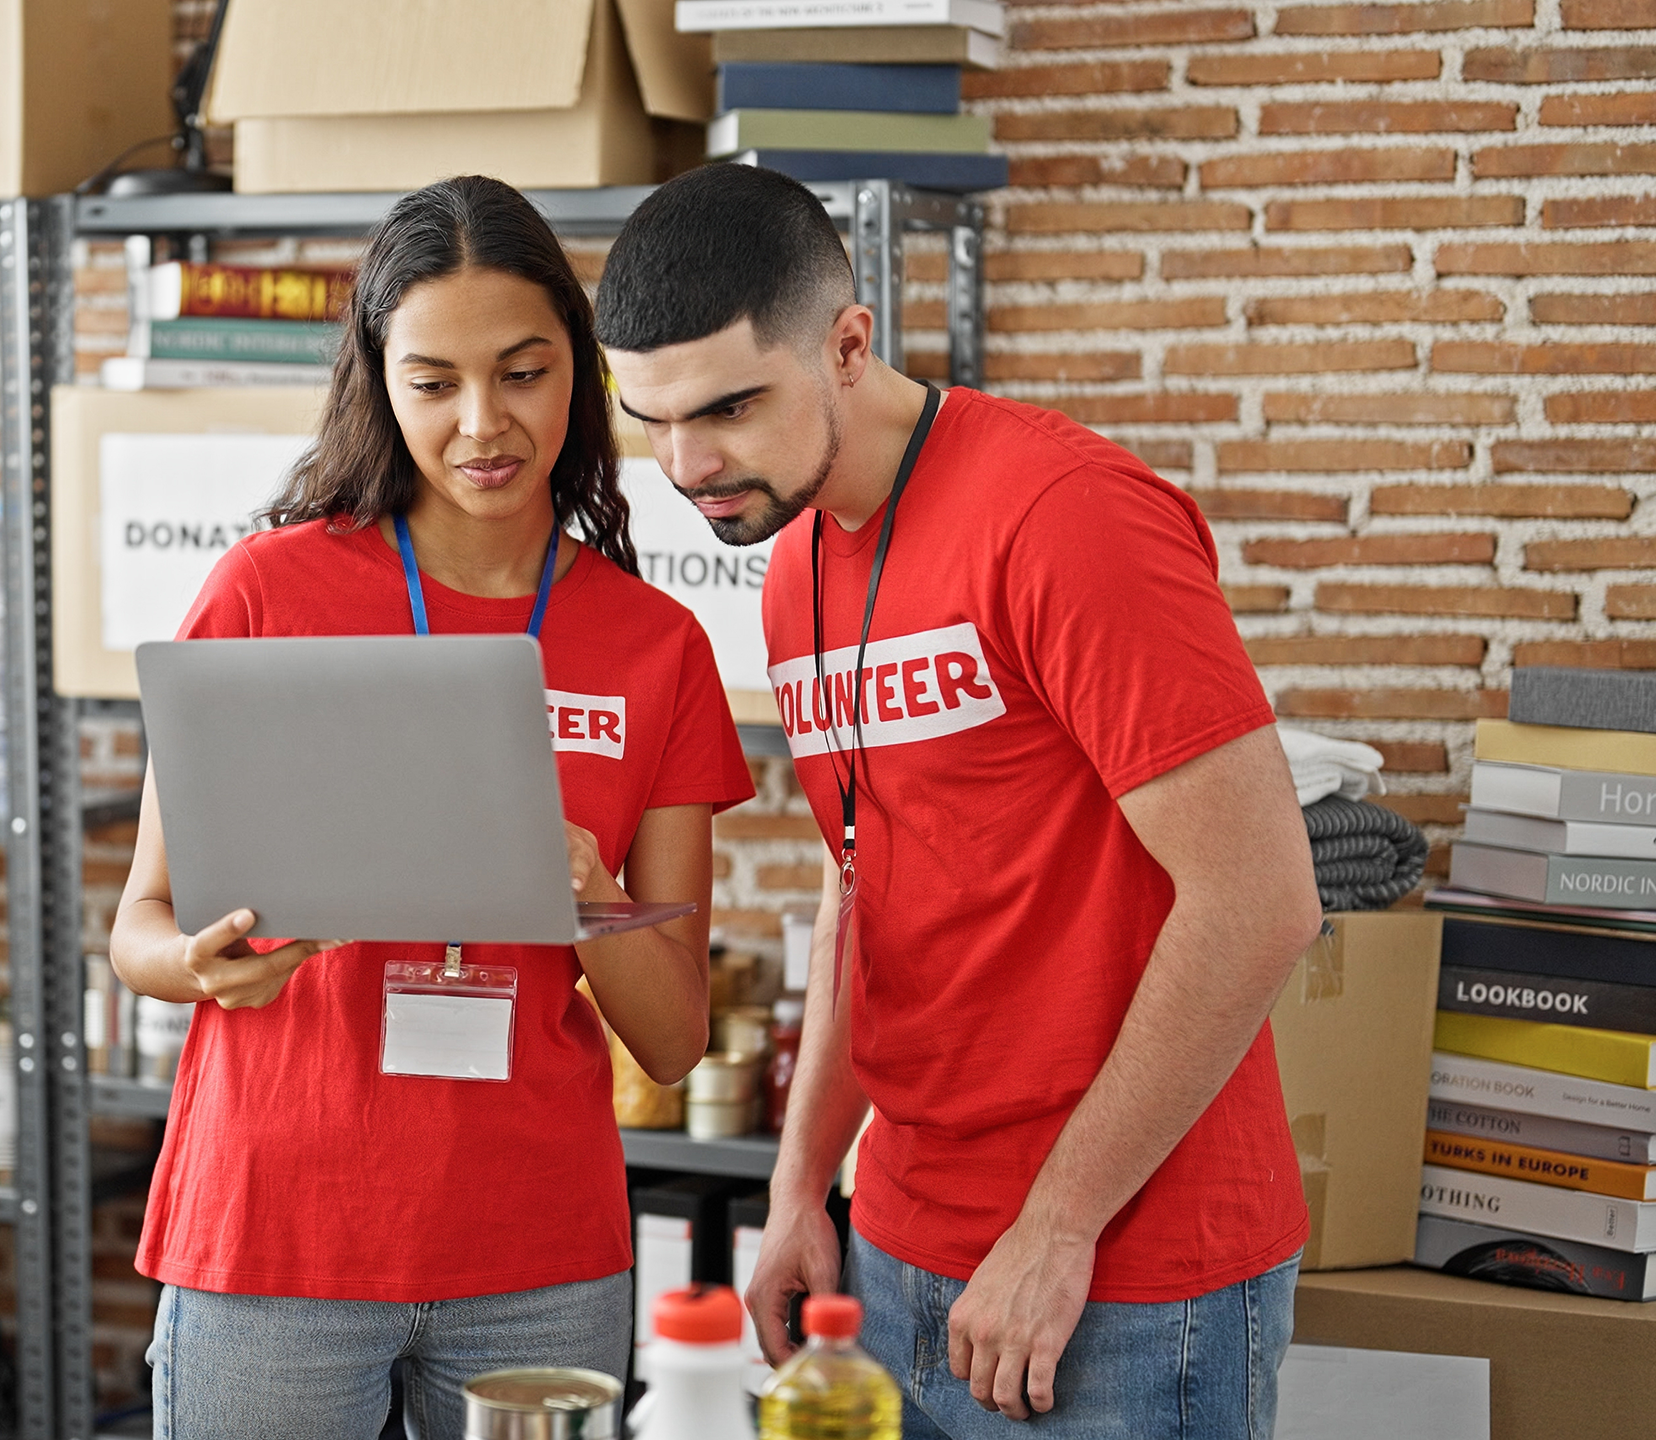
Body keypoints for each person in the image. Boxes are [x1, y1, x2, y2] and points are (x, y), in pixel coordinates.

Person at [594, 163, 1321, 1440]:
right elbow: (860, 876)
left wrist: (1057, 1227)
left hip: (1122, 1274)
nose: (686, 464)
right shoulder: (792, 555)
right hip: (899, 1248)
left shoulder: (1064, 517)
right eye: (650, 419)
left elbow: (1259, 900)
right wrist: (802, 1184)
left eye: (728, 407)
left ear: (851, 344)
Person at [111, 176, 756, 1440]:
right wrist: (198, 969)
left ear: (581, 367)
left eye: (522, 372)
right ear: (378, 378)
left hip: (534, 1258)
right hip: (274, 1234)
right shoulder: (265, 592)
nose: (481, 424)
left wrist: (594, 901)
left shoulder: (654, 645)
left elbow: (676, 1040)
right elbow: (140, 924)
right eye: (433, 382)